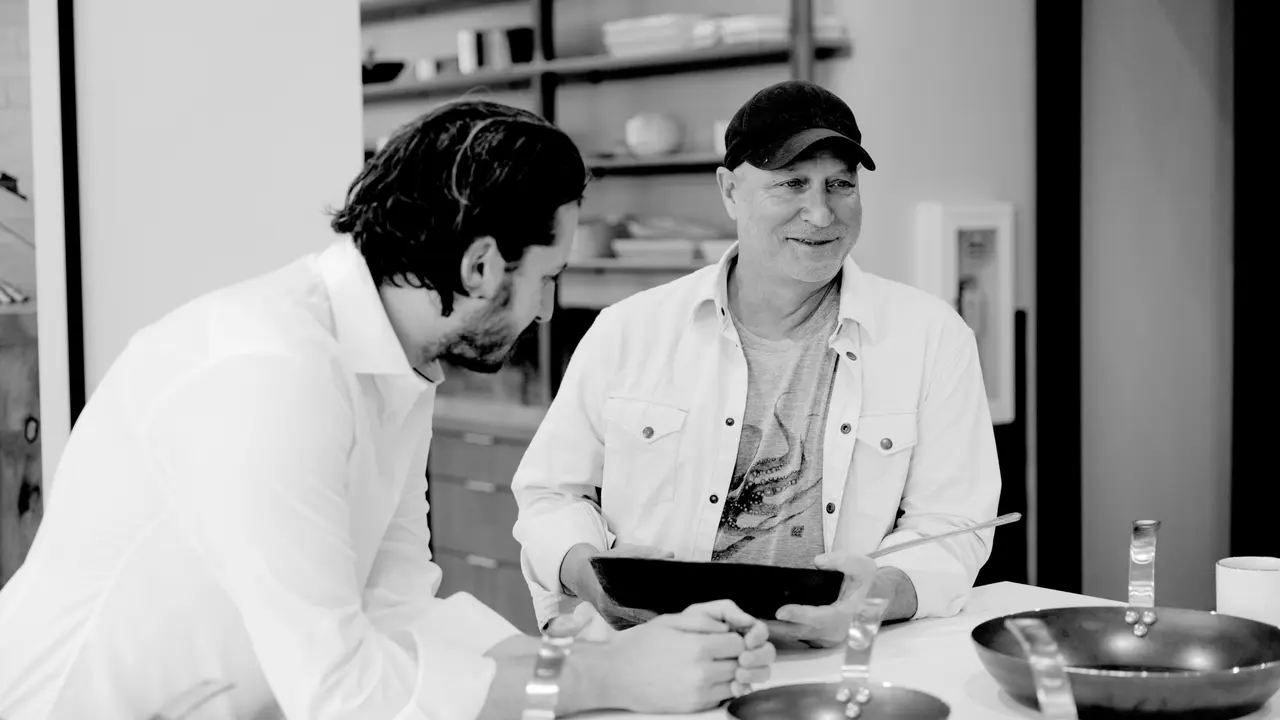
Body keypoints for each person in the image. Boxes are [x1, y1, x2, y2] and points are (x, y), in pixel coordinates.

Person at [0, 100, 774, 720]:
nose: (544, 312)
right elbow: (345, 695)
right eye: (547, 278)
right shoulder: (269, 374)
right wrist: (610, 680)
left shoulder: (397, 364)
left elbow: (398, 610)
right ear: (479, 265)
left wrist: (610, 663)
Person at [511, 80, 1003, 647]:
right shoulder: (628, 330)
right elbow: (552, 495)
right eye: (791, 183)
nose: (820, 213)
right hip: (651, 655)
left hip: (833, 663)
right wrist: (592, 578)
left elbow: (954, 526)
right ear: (729, 189)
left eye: (840, 184)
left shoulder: (932, 337)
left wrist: (872, 599)